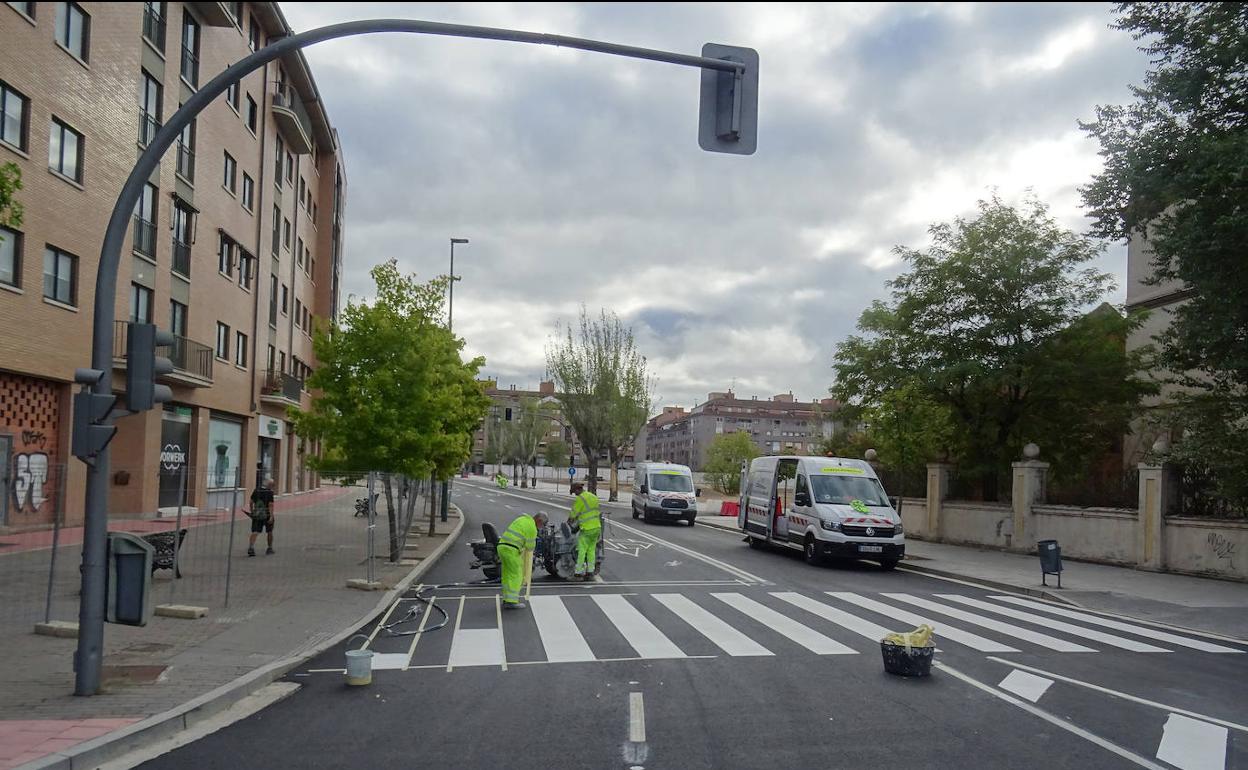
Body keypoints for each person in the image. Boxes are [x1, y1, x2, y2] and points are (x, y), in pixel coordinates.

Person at [498, 511, 548, 609]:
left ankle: (506, 598)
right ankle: (511, 601)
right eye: (542, 525)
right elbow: (530, 547)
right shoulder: (532, 528)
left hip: (502, 546)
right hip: (511, 550)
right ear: (539, 520)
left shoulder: (522, 519)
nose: (541, 527)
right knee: (517, 575)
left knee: (508, 575)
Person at [568, 482, 601, 580]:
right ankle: (590, 571)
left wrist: (569, 521)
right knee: (591, 550)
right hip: (597, 527)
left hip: (586, 528)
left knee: (581, 550)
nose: (575, 494)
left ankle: (578, 572)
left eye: (575, 492)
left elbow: (573, 514)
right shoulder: (593, 497)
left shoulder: (580, 498)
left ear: (578, 489)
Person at [247, 477, 276, 557]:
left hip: (257, 514)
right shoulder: (269, 492)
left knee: (255, 531)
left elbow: (251, 502)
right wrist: (271, 516)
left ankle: (251, 547)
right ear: (269, 485)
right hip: (266, 514)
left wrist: (252, 511)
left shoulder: (256, 490)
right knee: (269, 531)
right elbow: (270, 505)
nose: (273, 486)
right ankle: (269, 548)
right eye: (272, 485)